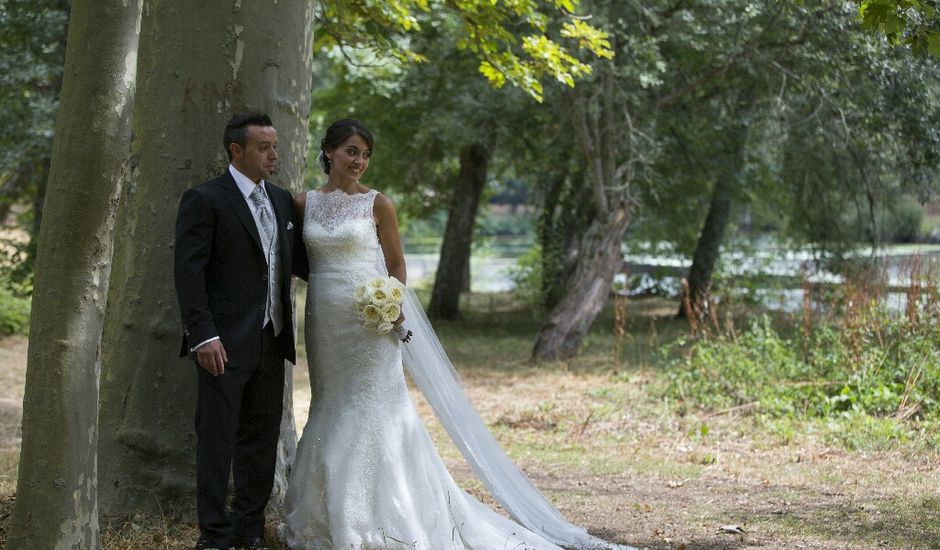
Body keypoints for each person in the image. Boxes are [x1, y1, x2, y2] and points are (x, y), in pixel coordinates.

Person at [279, 118, 634, 549]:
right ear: (329, 151)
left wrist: (391, 303)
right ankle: (325, 516)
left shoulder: (378, 205)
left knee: (374, 407)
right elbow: (298, 261)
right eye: (352, 151)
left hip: (370, 325)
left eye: (366, 155)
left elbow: (396, 264)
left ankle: (389, 516)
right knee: (330, 403)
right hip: (323, 321)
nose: (359, 162)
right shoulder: (302, 205)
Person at [174, 113, 308, 550]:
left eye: (275, 146)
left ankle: (248, 528)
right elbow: (188, 274)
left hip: (273, 340)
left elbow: (301, 264)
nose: (274, 154)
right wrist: (203, 336)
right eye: (264, 147)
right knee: (215, 440)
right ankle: (212, 535)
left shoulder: (284, 201)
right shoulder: (206, 199)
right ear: (237, 151)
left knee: (261, 438)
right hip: (222, 345)